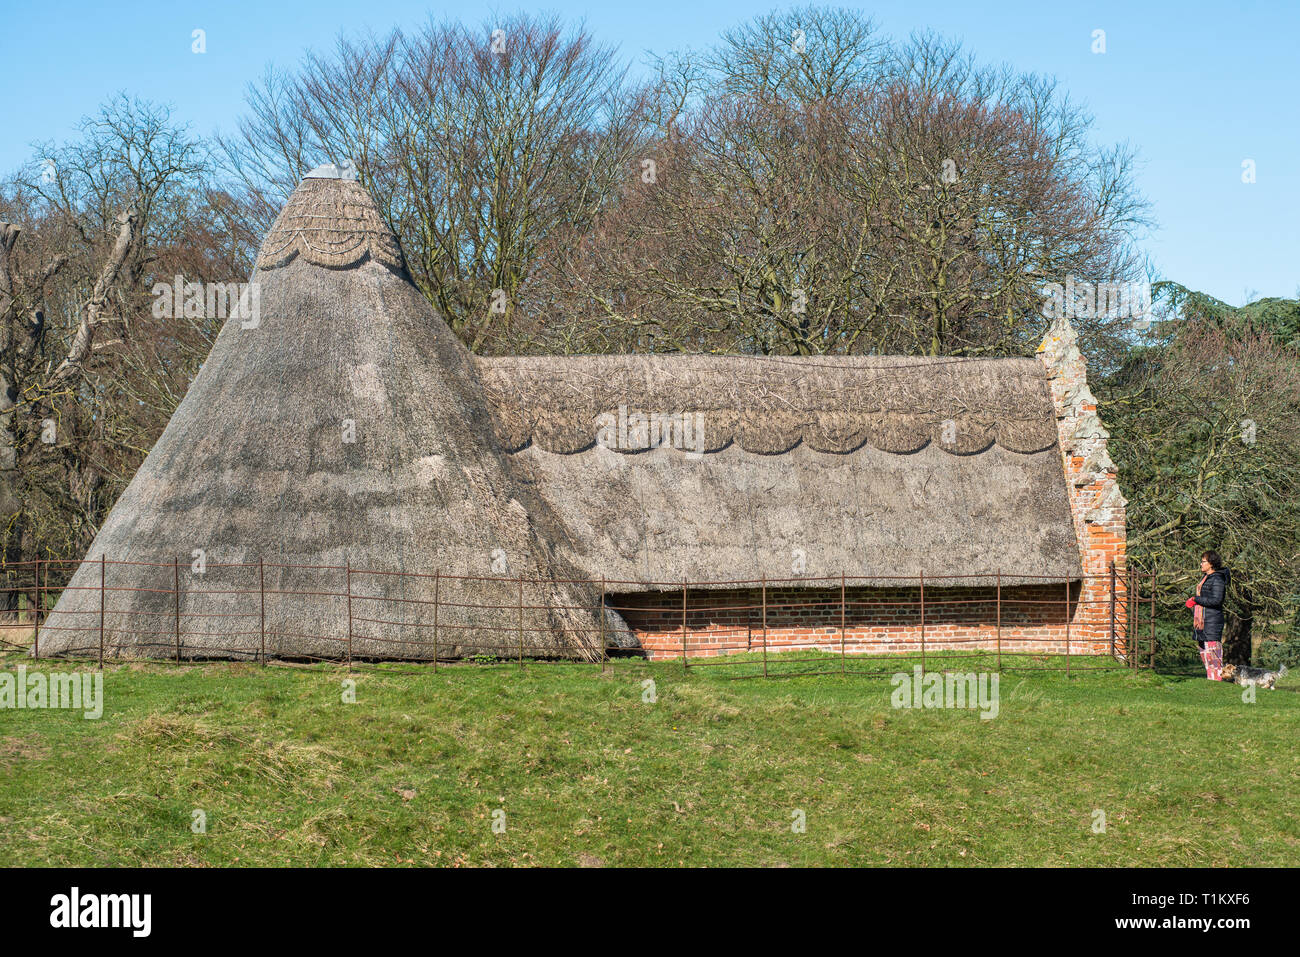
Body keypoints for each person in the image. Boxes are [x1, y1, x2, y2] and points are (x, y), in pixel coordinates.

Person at [1186, 551, 1230, 680]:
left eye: (1203, 561)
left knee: (1213, 655)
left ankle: (1216, 681)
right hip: (1202, 622)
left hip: (1212, 621)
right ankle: (1211, 680)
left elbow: (1217, 600)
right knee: (1204, 653)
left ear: (1211, 563)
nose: (1201, 564)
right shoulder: (1206, 578)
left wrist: (1196, 599)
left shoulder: (1217, 579)